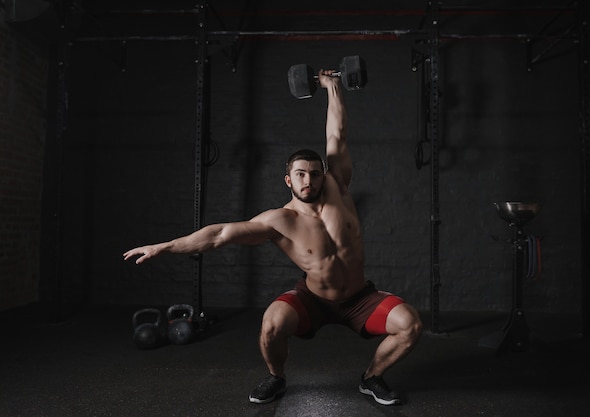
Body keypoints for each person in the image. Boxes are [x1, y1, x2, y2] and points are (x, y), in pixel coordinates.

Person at [123, 69, 423, 406]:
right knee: (271, 324)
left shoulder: (339, 186)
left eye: (313, 173)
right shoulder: (280, 221)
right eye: (300, 175)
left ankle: (372, 377)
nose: (308, 180)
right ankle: (276, 377)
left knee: (409, 324)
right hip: (312, 299)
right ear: (288, 181)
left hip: (358, 299)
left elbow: (336, 133)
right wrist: (164, 247)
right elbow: (219, 234)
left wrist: (333, 86)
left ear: (324, 176)